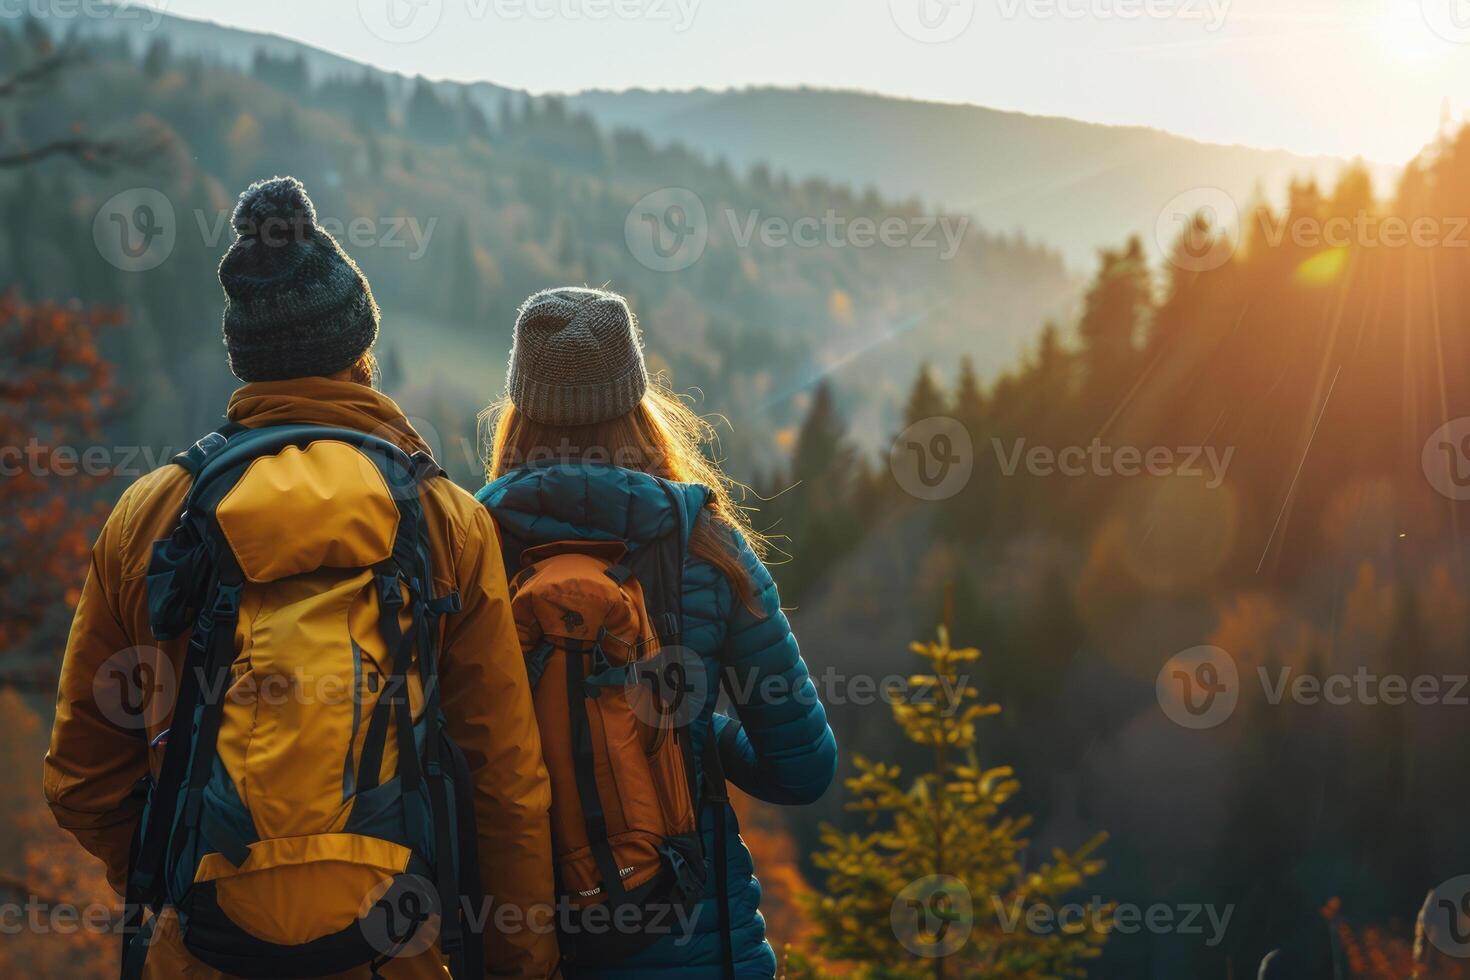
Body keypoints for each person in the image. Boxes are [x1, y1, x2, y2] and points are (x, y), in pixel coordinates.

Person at [43, 177, 560, 978]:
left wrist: (178, 879)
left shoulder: (150, 514)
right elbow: (507, 783)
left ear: (245, 362)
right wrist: (522, 962)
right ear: (362, 355)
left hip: (204, 949)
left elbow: (82, 779)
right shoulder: (447, 520)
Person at [478, 286, 838, 978]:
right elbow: (803, 770)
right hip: (696, 950)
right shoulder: (706, 548)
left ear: (519, 410)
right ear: (636, 403)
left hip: (525, 946)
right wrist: (695, 733)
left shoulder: (465, 552)